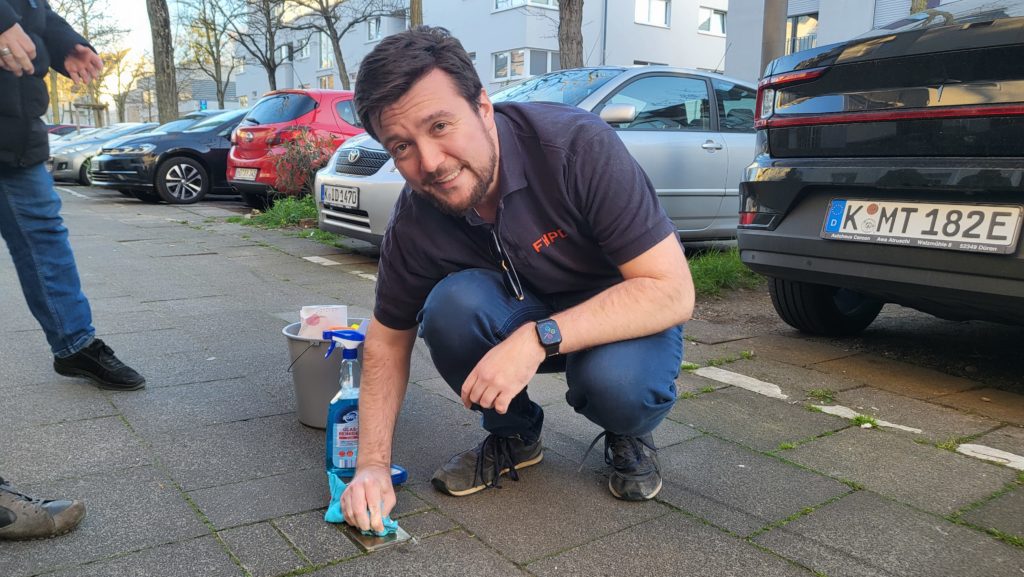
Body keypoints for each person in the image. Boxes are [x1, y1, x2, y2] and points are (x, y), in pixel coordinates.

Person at [341, 26, 694, 534]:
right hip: (521, 307)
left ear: (483, 107)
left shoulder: (577, 147)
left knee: (619, 386)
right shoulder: (416, 218)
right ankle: (515, 433)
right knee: (450, 308)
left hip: (623, 313)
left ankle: (627, 431)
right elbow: (387, 339)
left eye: (440, 125)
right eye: (402, 146)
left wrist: (538, 338)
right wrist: (372, 465)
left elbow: (671, 290)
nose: (430, 163)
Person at [0, 0, 145, 540]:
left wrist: (65, 43)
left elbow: (32, 7)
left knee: (45, 237)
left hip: (16, 131)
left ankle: (75, 346)